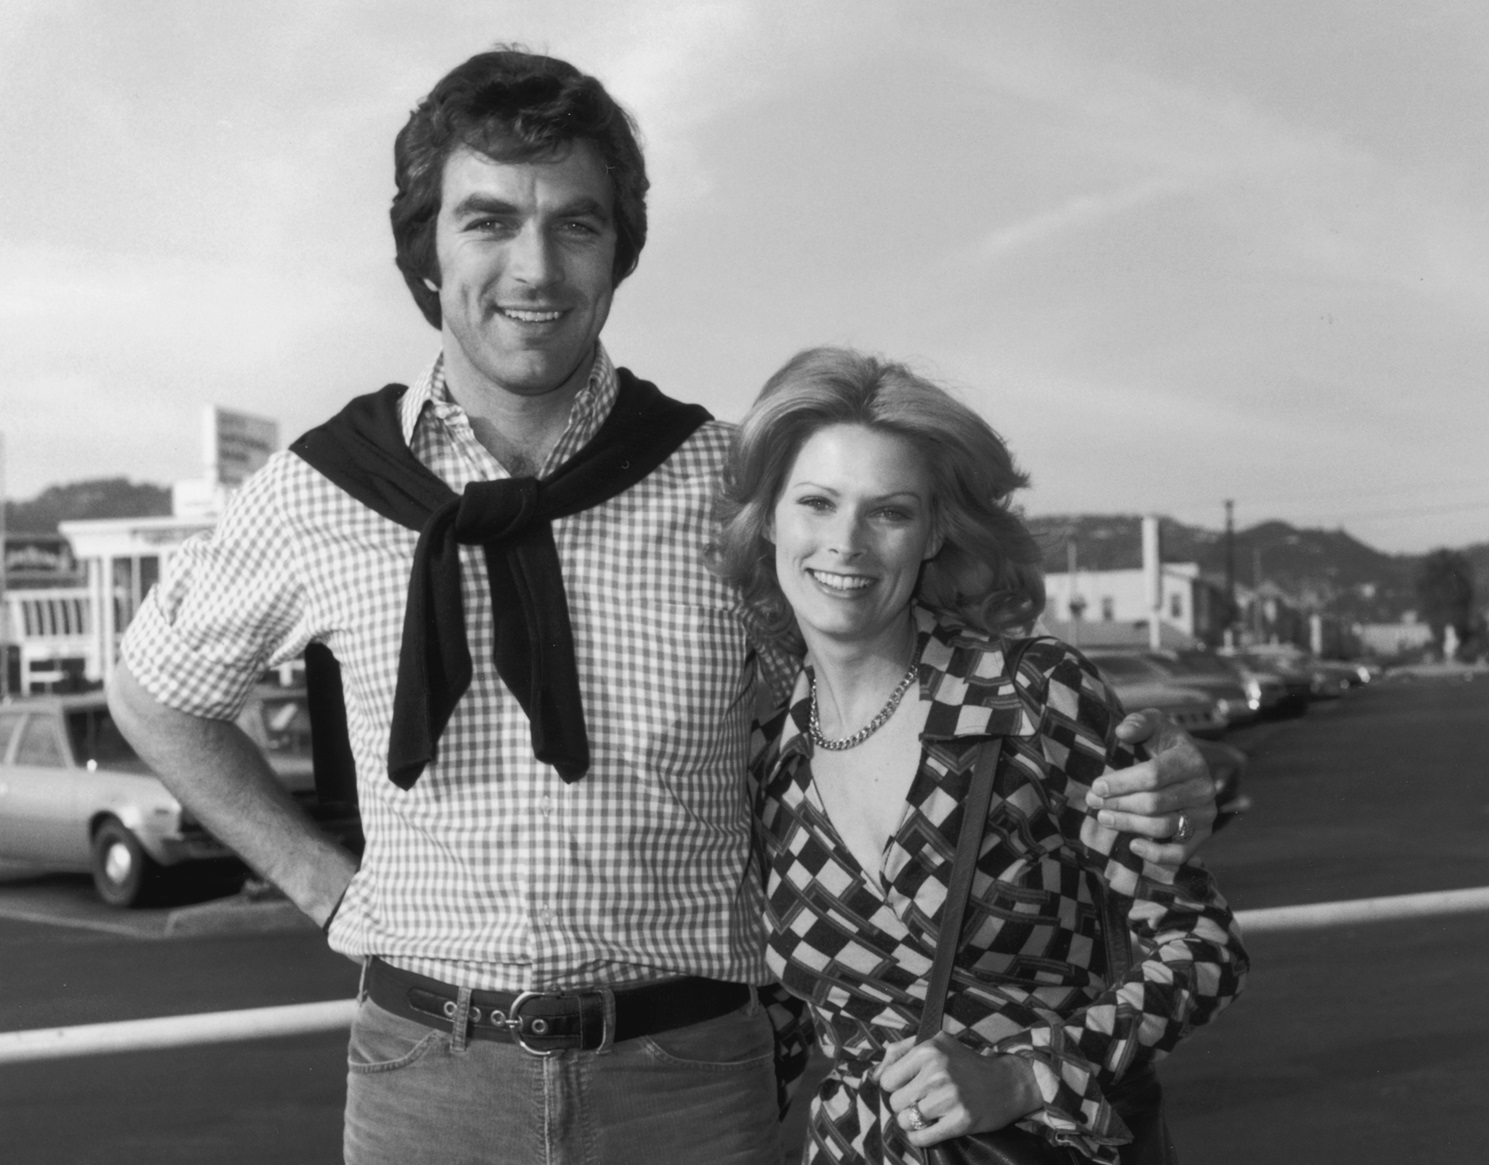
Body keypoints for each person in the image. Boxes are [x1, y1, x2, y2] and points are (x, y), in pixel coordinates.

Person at [107, 48, 1220, 1165]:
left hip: (685, 1079)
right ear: (427, 251)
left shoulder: (725, 484)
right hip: (425, 1077)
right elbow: (155, 692)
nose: (533, 267)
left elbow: (908, 686)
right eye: (488, 221)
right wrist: (320, 884)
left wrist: (1154, 776)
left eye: (576, 225)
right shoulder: (322, 490)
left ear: (617, 252)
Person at [711, 347, 1248, 1164]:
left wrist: (1030, 1075)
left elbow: (1200, 945)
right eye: (816, 503)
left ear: (931, 533)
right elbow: (787, 1015)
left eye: (886, 512)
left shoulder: (1028, 696)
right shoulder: (766, 756)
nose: (844, 542)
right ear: (772, 521)